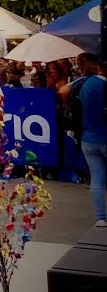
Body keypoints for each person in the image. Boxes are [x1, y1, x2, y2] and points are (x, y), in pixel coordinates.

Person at [60, 52, 106, 227]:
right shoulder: (102, 82)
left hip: (88, 138)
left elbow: (62, 92)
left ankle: (101, 217)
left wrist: (80, 78)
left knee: (97, 178)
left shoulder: (82, 83)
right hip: (104, 135)